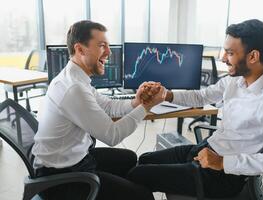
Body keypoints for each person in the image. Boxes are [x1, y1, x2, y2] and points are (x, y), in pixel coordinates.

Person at [127, 19, 263, 198]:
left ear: (253, 56)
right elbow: (202, 96)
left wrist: (224, 162)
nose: (223, 58)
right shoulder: (235, 80)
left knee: (138, 175)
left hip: (224, 174)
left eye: (230, 53)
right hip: (207, 149)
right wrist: (166, 95)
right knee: (145, 159)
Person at [31, 20, 165, 200]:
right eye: (102, 46)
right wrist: (146, 107)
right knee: (143, 196)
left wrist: (136, 101)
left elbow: (109, 106)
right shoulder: (73, 89)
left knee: (129, 158)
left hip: (75, 158)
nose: (109, 52)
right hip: (60, 178)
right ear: (80, 49)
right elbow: (112, 135)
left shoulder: (76, 79)